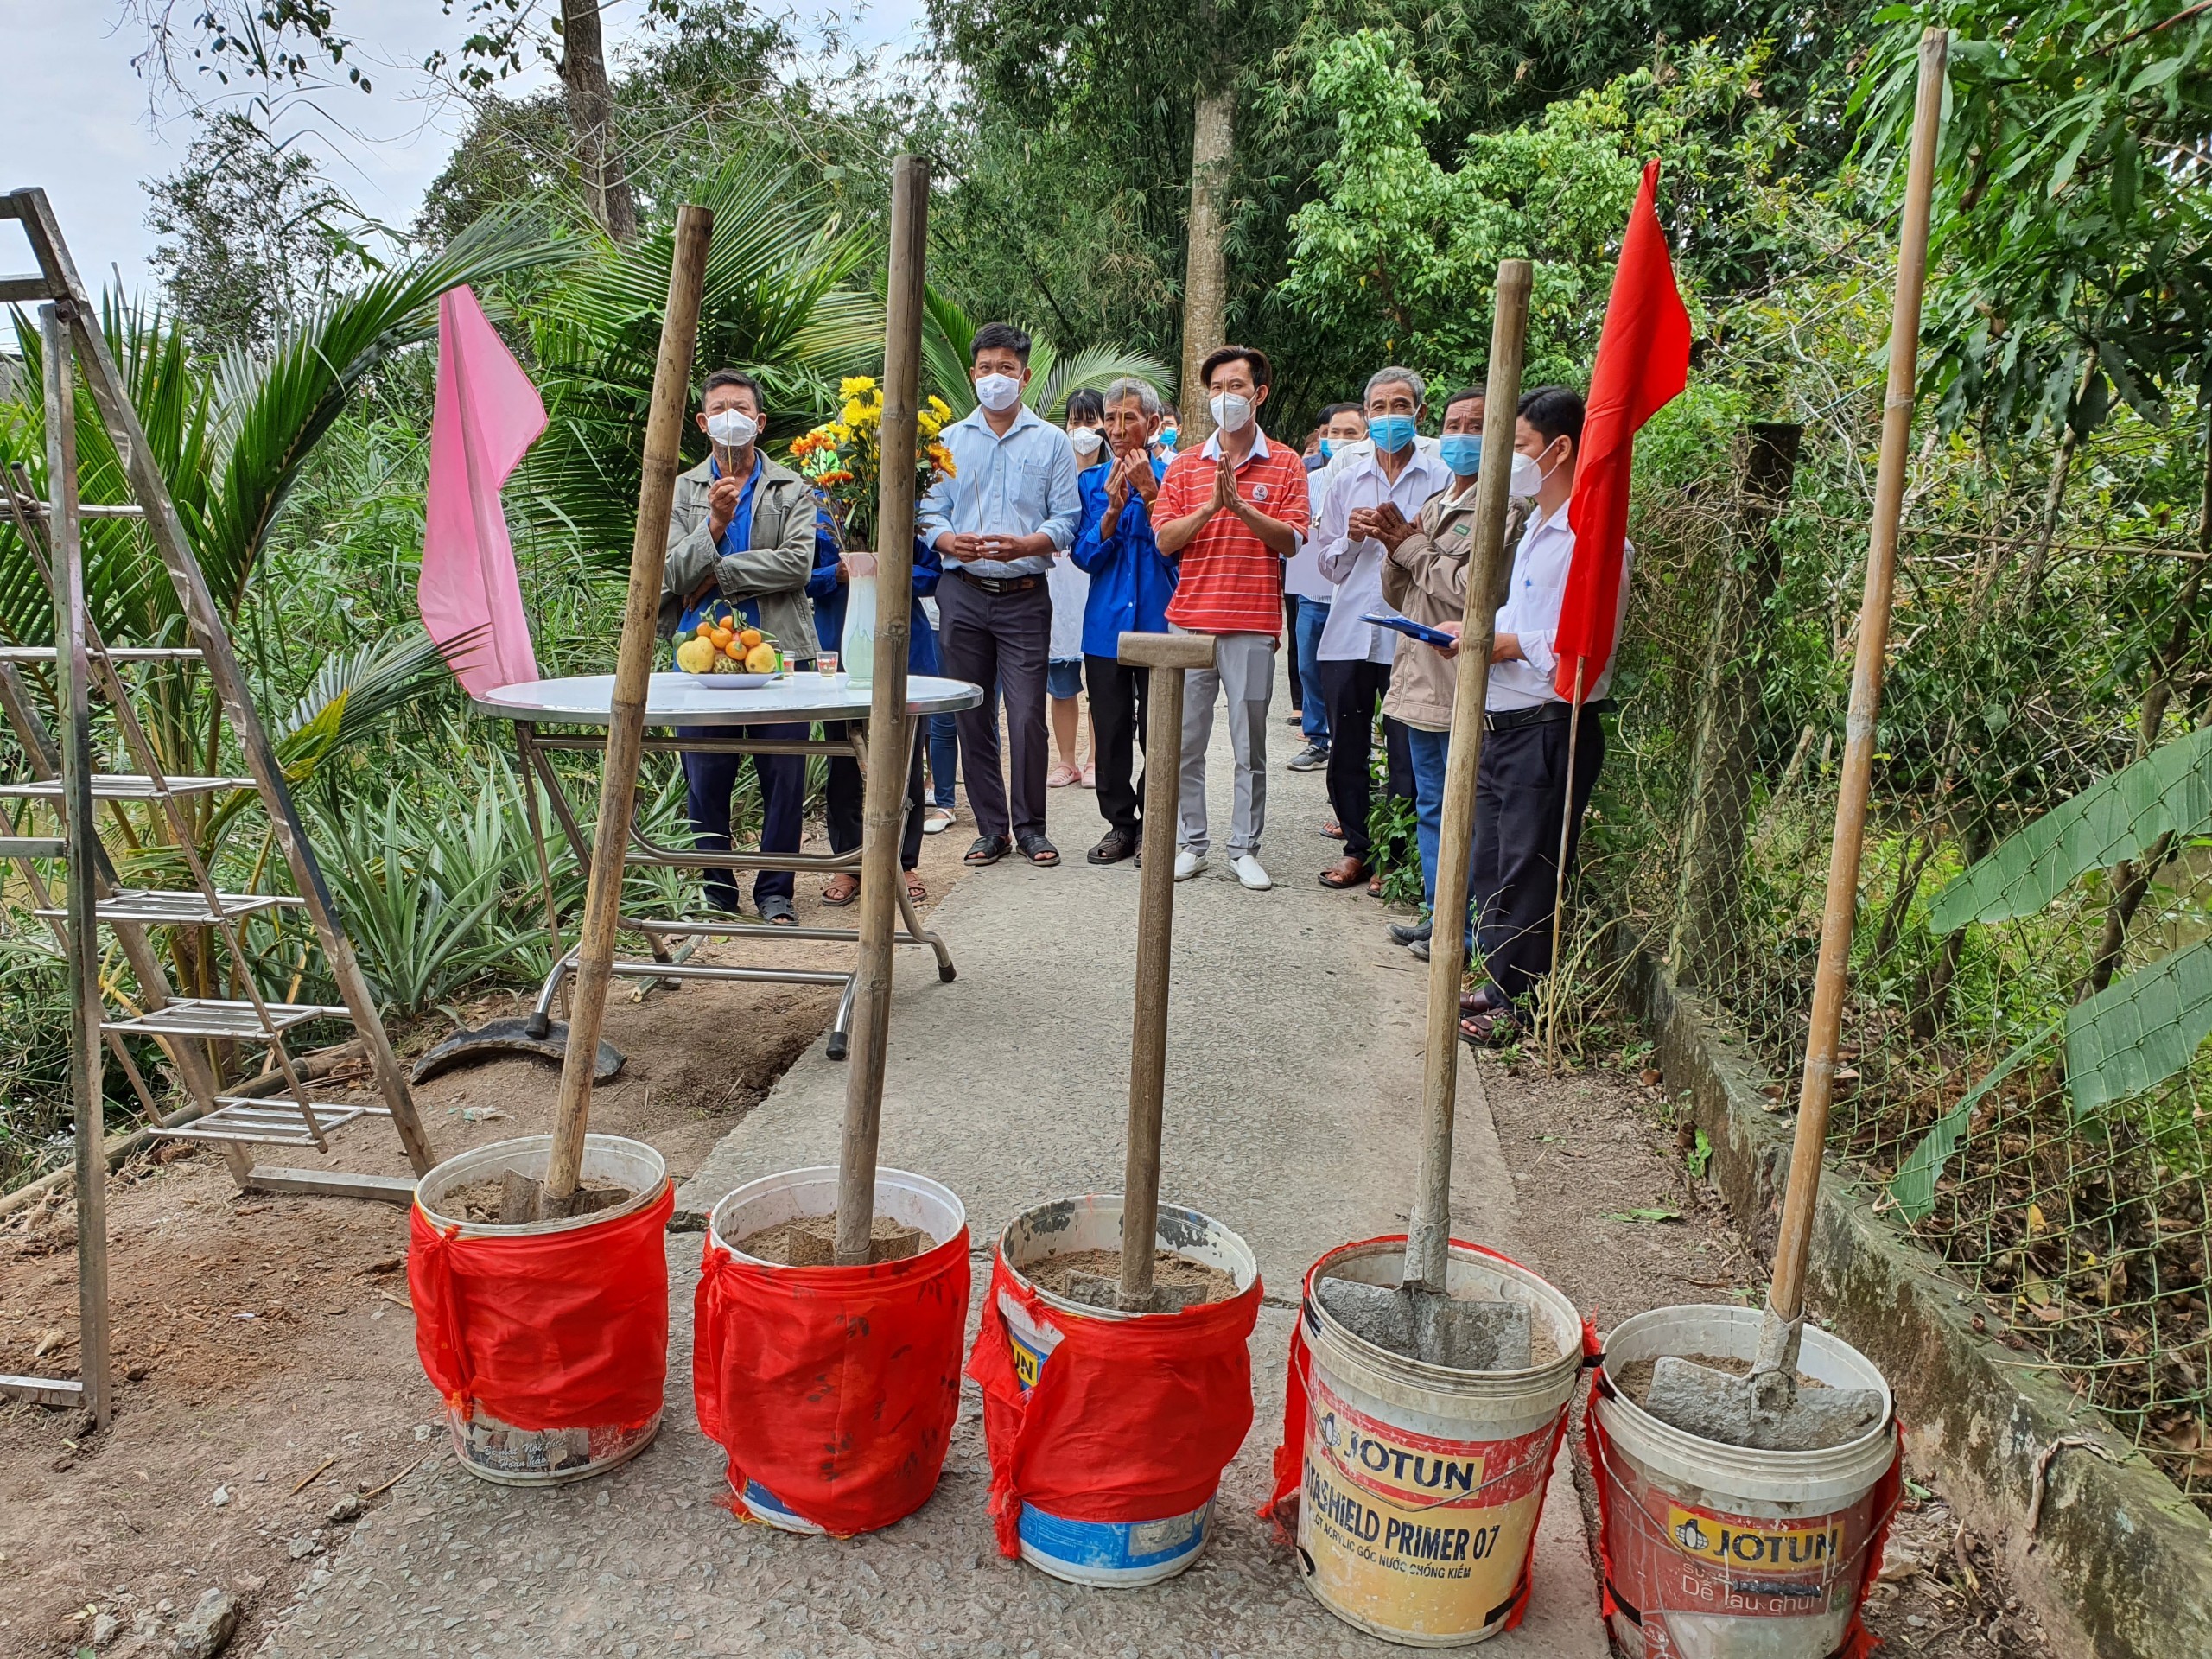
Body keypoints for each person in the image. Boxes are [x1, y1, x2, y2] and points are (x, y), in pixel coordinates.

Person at [1456, 385, 1620, 1046]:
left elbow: (1585, 643)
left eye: (1519, 446)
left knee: (1531, 868)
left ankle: (1519, 1004)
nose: (1509, 460)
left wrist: (1507, 644)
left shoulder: (1594, 538)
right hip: (1505, 719)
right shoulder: (1534, 528)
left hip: (1550, 725)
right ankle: (1499, 982)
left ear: (1560, 449)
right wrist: (1473, 633)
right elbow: (1521, 617)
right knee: (1494, 862)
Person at [659, 369, 822, 925]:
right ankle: (717, 892)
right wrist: (713, 523)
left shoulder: (792, 488)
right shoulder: (680, 489)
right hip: (700, 658)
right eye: (719, 409)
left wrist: (718, 573)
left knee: (785, 775)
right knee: (705, 776)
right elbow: (670, 571)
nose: (732, 417)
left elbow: (797, 564)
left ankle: (776, 892)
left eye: (742, 408)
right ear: (703, 423)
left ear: (760, 420)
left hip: (779, 653)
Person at [918, 322, 1083, 868]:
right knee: (973, 712)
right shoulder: (947, 441)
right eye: (986, 368)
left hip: (1025, 594)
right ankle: (992, 829)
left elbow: (1068, 517)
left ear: (1025, 376)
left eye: (1006, 368)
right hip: (961, 592)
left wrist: (1029, 544)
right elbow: (928, 511)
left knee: (1028, 713)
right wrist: (948, 540)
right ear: (973, 374)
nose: (995, 378)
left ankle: (1031, 826)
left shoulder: (1052, 441)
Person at [1376, 387, 1532, 959]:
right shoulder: (1437, 501)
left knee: (1464, 810)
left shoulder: (1507, 509)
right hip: (1419, 678)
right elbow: (1401, 592)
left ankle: (1464, 931)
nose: (1462, 435)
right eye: (1453, 424)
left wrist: (1414, 550)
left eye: (1476, 425)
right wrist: (1394, 547)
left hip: (1463, 682)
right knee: (1432, 806)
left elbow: (1477, 593)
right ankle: (1437, 913)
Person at [1154, 343, 1310, 891]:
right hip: (1190, 623)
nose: (1225, 397)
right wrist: (1211, 507)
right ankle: (1191, 844)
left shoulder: (1286, 462)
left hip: (1252, 624)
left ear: (1259, 393)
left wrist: (1242, 507)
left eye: (1236, 386)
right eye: (1216, 388)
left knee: (1250, 747)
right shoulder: (1183, 465)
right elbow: (1165, 540)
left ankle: (1244, 847)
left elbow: (1292, 541)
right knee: (1183, 744)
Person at [1312, 369, 1451, 893]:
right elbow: (1327, 566)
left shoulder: (1441, 478)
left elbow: (1448, 562)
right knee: (1346, 747)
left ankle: (1394, 857)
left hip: (1410, 635)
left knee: (1406, 752)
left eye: (1400, 406)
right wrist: (1350, 538)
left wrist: (1407, 540)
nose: (1389, 416)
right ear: (1367, 415)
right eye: (1379, 407)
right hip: (1349, 632)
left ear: (1419, 413)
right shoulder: (1346, 479)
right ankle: (1356, 849)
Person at [1070, 376, 1177, 864]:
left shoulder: (1175, 478)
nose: (1116, 429)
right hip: (1105, 628)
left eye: (1127, 418)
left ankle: (1155, 824)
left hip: (1160, 625)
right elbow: (1085, 557)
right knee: (1110, 730)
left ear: (1152, 424)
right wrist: (1111, 512)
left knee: (1159, 731)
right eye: (1110, 418)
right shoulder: (1091, 483)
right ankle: (1119, 823)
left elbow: (1179, 555)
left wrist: (1150, 494)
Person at [812, 534, 944, 906]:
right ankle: (849, 863)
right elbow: (798, 577)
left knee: (905, 765)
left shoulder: (906, 521)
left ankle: (904, 863)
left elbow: (934, 576)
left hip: (904, 652)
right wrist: (837, 573)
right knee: (842, 763)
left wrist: (887, 570)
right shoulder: (817, 523)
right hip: (839, 653)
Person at [1282, 402, 1370, 770]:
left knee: (1353, 675)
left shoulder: (1371, 481)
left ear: (1365, 436)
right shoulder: (1309, 479)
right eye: (1334, 433)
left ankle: (1359, 746)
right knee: (1309, 664)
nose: (1341, 440)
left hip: (1354, 594)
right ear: (1322, 435)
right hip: (1312, 587)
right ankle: (1317, 738)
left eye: (1351, 433)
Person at [1049, 388, 1107, 789]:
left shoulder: (1111, 475)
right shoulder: (1054, 472)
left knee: (1101, 686)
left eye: (1090, 421)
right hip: (1059, 591)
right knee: (1062, 682)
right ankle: (1066, 760)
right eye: (1075, 422)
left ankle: (1094, 760)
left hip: (1098, 588)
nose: (1082, 430)